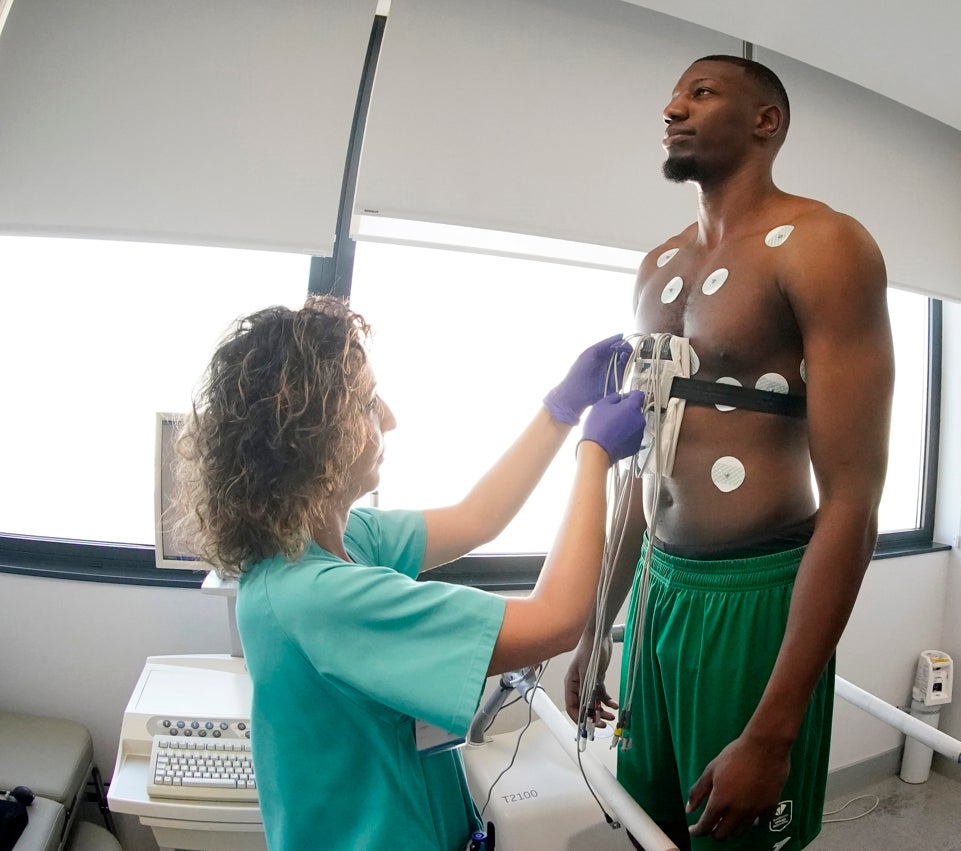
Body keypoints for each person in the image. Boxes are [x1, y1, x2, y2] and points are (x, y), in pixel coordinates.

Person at [564, 55, 895, 850]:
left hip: (755, 597)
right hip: (659, 590)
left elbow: (852, 500)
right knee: (654, 827)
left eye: (699, 93)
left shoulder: (825, 245)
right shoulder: (658, 268)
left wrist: (773, 734)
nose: (672, 108)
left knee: (734, 839)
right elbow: (645, 472)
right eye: (673, 94)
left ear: (765, 122)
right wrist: (593, 631)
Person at [175, 295, 645, 851]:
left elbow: (479, 518)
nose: (390, 419)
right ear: (314, 439)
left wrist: (560, 408)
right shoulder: (319, 597)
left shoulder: (335, 541)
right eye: (369, 404)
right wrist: (593, 457)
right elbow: (557, 621)